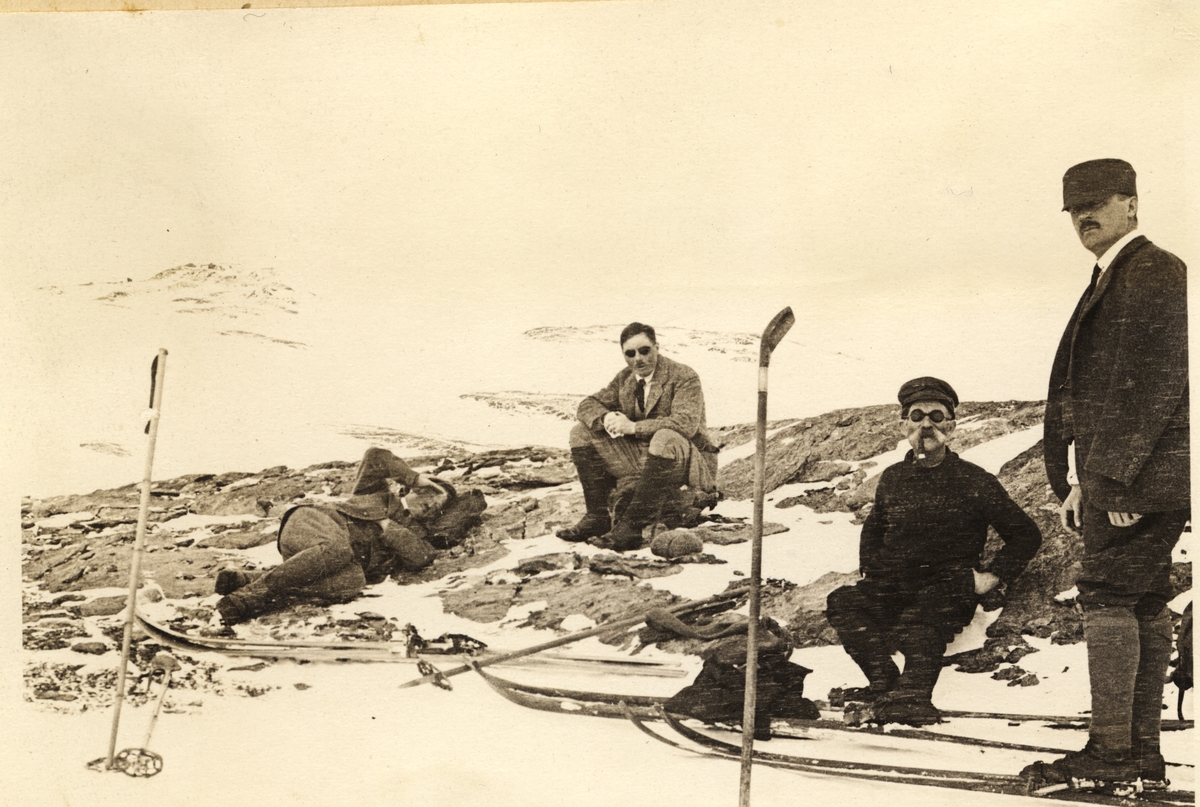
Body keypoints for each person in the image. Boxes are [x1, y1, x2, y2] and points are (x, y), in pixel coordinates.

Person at [1023, 159, 1189, 792]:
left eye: (1096, 202)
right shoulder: (1117, 274)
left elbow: (1157, 378)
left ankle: (1111, 754)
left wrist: (1112, 477)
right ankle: (1140, 754)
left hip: (1137, 476)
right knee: (1140, 599)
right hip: (1138, 474)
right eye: (1074, 208)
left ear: (1132, 205)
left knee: (1108, 596)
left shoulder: (1152, 269)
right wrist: (1070, 471)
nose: (1083, 216)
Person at [826, 377, 1042, 726]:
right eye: (917, 416)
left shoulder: (975, 480)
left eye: (937, 416)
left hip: (947, 583)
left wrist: (991, 577)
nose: (926, 424)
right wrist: (870, 570)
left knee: (921, 621)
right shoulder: (893, 477)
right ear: (905, 425)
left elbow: (1025, 534)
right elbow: (875, 526)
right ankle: (884, 683)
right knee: (843, 602)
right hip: (893, 581)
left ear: (951, 426)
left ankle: (913, 696)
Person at [214, 447, 453, 623]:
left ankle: (245, 580)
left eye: (437, 504)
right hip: (309, 525)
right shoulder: (376, 492)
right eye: (431, 492)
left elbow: (420, 557)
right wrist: (416, 478)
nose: (431, 502)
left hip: (317, 561)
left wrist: (387, 525)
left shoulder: (416, 531)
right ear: (416, 488)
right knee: (338, 549)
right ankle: (246, 598)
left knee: (351, 583)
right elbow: (375, 456)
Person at [556, 322, 720, 551]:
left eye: (645, 350)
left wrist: (632, 427)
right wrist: (605, 418)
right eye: (630, 354)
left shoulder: (684, 376)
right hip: (645, 460)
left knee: (665, 436)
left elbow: (685, 424)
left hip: (687, 464)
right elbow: (587, 404)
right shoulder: (625, 379)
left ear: (656, 347)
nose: (638, 359)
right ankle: (597, 516)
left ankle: (630, 528)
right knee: (581, 432)